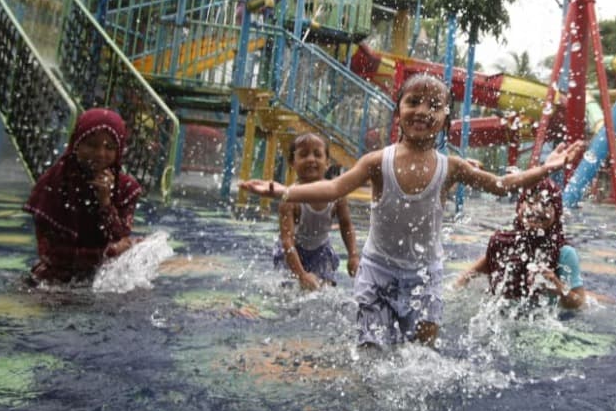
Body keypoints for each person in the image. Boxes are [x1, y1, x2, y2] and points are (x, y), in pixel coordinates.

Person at [240, 73, 585, 348]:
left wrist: (545, 168)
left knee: (424, 351)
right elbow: (333, 187)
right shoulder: (378, 162)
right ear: (399, 111)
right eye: (413, 101)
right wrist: (283, 190)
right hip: (377, 270)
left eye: (434, 105)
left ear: (446, 118)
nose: (422, 110)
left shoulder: (451, 167)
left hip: (424, 274)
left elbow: (499, 184)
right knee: (371, 348)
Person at [23, 108, 142, 283]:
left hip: (105, 281)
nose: (100, 154)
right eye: (92, 145)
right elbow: (50, 254)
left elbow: (119, 237)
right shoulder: (53, 183)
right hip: (55, 283)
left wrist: (105, 202)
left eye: (109, 147)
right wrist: (109, 252)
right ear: (76, 144)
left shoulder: (125, 188)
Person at [455, 180, 585, 310]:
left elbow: (579, 303)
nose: (536, 209)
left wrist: (556, 284)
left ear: (557, 212)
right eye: (530, 201)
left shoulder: (564, 253)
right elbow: (466, 277)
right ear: (519, 207)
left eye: (545, 203)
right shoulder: (505, 244)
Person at [272, 132, 360, 291]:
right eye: (304, 155)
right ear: (292, 162)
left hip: (321, 251)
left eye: (317, 155)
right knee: (290, 291)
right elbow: (287, 241)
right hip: (294, 251)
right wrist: (301, 274)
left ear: (327, 162)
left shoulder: (337, 195)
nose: (311, 159)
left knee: (324, 292)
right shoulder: (290, 199)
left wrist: (353, 255)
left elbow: (346, 226)